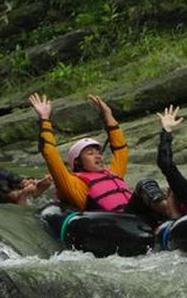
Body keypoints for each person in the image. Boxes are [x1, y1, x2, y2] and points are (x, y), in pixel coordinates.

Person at [29, 92, 174, 223]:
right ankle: (168, 211)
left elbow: (120, 149)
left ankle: (169, 213)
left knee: (153, 185)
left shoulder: (112, 173)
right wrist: (44, 119)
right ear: (78, 162)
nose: (97, 156)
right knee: (144, 184)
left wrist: (108, 114)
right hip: (117, 223)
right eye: (90, 153)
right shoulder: (74, 185)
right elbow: (50, 154)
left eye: (98, 152)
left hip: (137, 216)